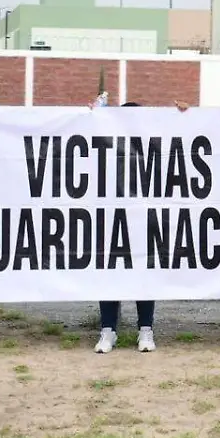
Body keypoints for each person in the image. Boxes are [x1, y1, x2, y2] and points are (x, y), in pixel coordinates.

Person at [94, 102, 158, 354]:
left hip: (143, 219)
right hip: (111, 218)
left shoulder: (152, 144)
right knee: (110, 272)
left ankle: (146, 329)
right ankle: (108, 330)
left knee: (144, 273)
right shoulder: (109, 145)